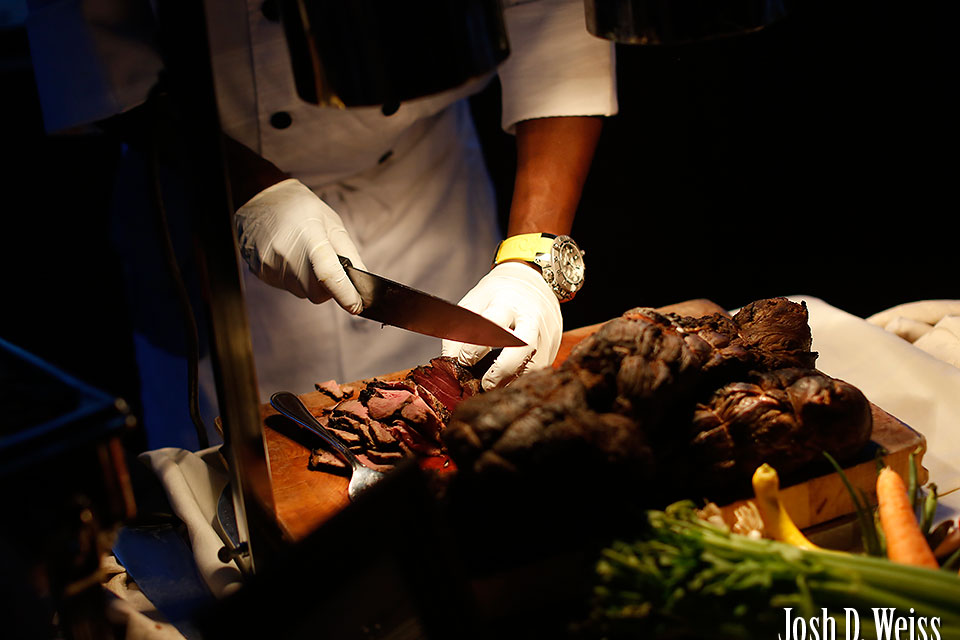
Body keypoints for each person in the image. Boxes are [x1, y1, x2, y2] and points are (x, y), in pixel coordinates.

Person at [26, 0, 617, 447]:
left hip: (423, 182)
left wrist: (531, 258)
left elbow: (555, 22)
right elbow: (98, 66)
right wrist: (252, 189)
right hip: (203, 196)